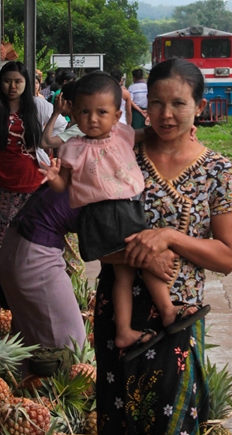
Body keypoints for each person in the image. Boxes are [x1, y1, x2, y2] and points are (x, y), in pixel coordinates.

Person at [95, 57, 232, 435]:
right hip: (120, 314)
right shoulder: (117, 155)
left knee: (177, 429)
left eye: (178, 103)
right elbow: (89, 237)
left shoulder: (219, 170)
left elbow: (226, 257)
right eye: (154, 102)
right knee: (125, 433)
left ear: (199, 107)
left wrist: (170, 238)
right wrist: (136, 254)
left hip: (178, 321)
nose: (165, 113)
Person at [45, 72, 205, 352]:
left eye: (101, 112)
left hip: (128, 207)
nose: (92, 119)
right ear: (74, 113)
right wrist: (53, 177)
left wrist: (185, 128)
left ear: (116, 114)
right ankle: (165, 312)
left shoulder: (122, 135)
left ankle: (126, 331)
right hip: (101, 213)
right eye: (84, 112)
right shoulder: (74, 147)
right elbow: (64, 186)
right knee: (143, 258)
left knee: (126, 273)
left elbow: (151, 131)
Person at [0, 184, 85, 350]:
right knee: (70, 346)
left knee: (30, 346)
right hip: (35, 257)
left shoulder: (81, 171)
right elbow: (98, 249)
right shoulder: (104, 179)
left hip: (17, 247)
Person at [0, 62, 48, 249]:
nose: (12, 87)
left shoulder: (38, 105)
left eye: (18, 81)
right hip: (2, 185)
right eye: (7, 81)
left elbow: (63, 125)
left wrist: (47, 143)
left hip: (33, 182)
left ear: (26, 83)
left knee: (32, 239)